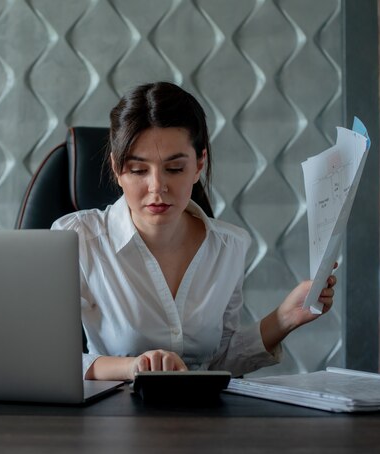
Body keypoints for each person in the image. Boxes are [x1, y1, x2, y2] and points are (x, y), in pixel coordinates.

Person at [52, 82, 337, 381]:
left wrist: (285, 318)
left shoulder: (229, 246)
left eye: (174, 169)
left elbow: (220, 362)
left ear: (199, 164)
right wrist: (133, 368)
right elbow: (50, 359)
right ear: (117, 168)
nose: (157, 187)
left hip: (205, 420)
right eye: (138, 170)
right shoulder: (78, 239)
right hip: (114, 418)